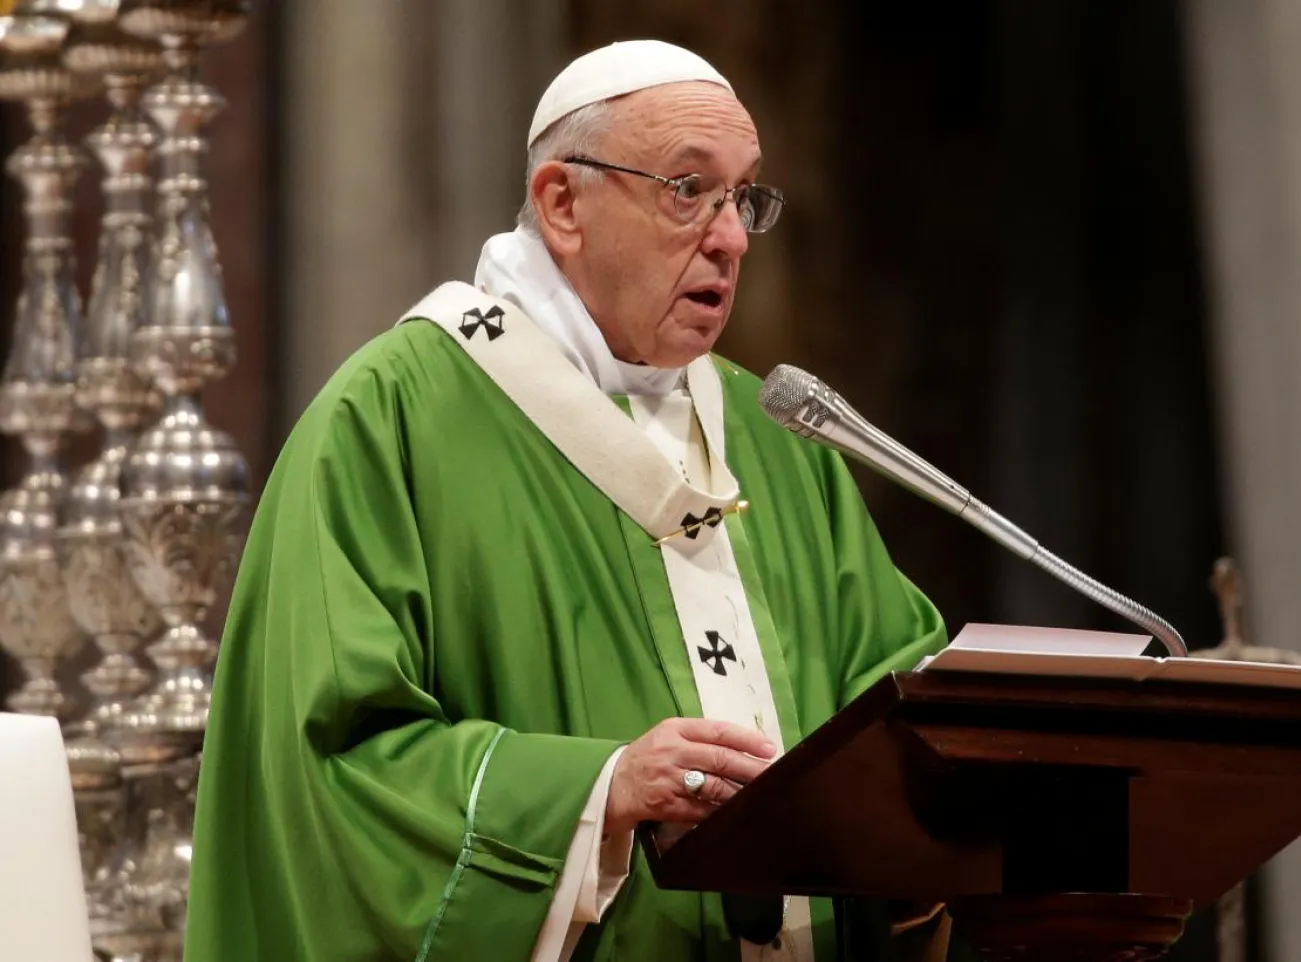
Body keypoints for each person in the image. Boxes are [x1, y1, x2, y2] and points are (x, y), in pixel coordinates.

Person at [183, 39, 955, 962]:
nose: (731, 235)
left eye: (744, 196)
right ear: (562, 204)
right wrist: (602, 791)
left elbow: (897, 706)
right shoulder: (396, 416)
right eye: (687, 190)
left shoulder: (778, 439)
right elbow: (326, 771)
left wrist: (932, 848)